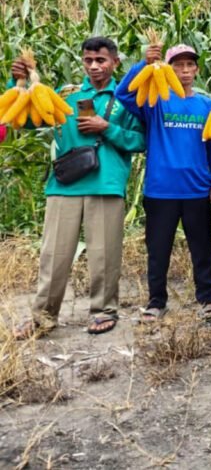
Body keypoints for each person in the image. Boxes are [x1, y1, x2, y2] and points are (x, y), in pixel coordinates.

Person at [13, 37, 146, 338]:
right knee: (54, 255)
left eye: (101, 60)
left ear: (115, 62)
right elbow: (30, 120)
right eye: (88, 60)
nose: (94, 66)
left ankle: (104, 311)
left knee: (104, 254)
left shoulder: (125, 99)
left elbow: (141, 141)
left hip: (106, 183)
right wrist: (19, 83)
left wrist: (106, 128)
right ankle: (43, 316)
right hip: (65, 184)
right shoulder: (67, 94)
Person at [116, 42, 211, 323]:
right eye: (178, 65)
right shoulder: (155, 101)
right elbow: (123, 94)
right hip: (161, 189)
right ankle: (156, 302)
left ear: (197, 70)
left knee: (202, 249)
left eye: (190, 65)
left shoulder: (206, 105)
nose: (185, 71)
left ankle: (208, 300)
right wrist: (144, 64)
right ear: (168, 69)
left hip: (196, 189)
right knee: (158, 249)